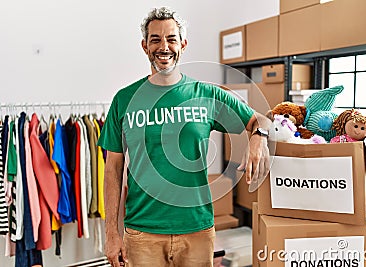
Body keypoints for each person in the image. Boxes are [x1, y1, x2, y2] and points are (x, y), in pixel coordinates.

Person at [97, 6, 271, 267]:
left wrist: (259, 137)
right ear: (145, 46)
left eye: (171, 39)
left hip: (197, 231)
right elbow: (112, 169)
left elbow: (262, 118)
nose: (163, 47)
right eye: (155, 39)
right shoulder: (124, 100)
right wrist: (112, 234)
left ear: (183, 44)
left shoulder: (207, 95)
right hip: (142, 232)